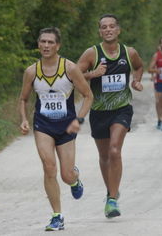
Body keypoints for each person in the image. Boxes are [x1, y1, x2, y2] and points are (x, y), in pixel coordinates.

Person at [19, 27, 93, 231]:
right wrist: (24, 119)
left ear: (58, 45)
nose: (46, 45)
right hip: (43, 125)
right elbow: (23, 99)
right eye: (43, 42)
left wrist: (79, 119)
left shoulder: (69, 68)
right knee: (49, 166)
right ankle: (57, 216)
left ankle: (75, 179)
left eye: (51, 42)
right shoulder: (31, 72)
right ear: (38, 44)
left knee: (66, 175)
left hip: (66, 126)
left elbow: (88, 95)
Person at [77, 14, 143, 218]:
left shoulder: (129, 52)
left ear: (118, 30)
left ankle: (112, 200)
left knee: (115, 150)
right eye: (104, 27)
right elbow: (74, 76)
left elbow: (139, 66)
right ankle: (111, 192)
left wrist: (136, 81)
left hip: (121, 108)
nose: (108, 30)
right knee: (104, 156)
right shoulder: (91, 53)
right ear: (100, 32)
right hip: (98, 111)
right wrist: (92, 74)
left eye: (112, 26)